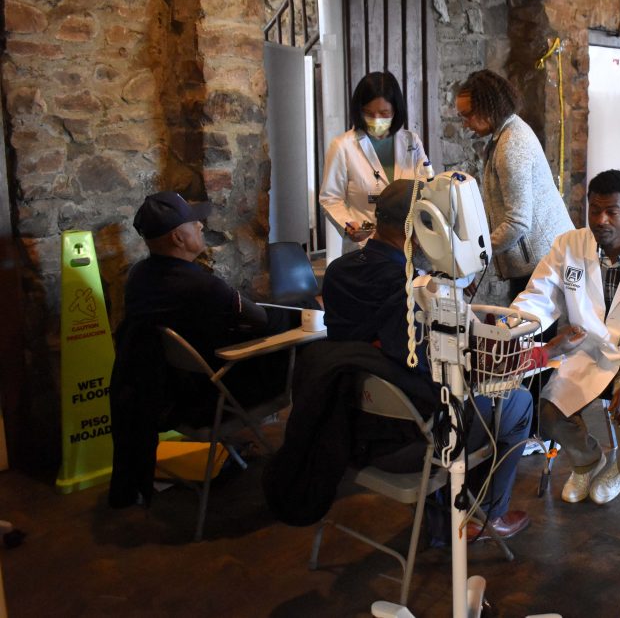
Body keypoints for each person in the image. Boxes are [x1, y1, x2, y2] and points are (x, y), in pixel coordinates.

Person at [321, 179, 584, 540]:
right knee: (519, 402)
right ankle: (487, 515)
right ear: (419, 228)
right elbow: (475, 366)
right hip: (414, 441)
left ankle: (445, 516)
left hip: (354, 424)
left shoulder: (338, 271)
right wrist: (547, 351)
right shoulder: (410, 291)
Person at [513, 170, 620, 505]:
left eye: (612, 212)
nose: (601, 220)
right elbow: (539, 295)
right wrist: (511, 325)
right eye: (594, 210)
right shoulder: (569, 246)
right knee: (548, 413)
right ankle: (588, 460)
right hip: (588, 351)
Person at [109, 191, 296, 507]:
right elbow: (263, 321)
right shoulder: (202, 286)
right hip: (210, 399)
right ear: (178, 237)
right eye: (194, 222)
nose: (200, 226)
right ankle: (306, 462)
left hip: (166, 396)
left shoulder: (139, 277)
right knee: (302, 343)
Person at [456, 69, 574, 298]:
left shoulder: (511, 144)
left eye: (467, 115)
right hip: (540, 260)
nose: (465, 124)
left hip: (543, 264)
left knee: (527, 323)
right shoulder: (507, 133)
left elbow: (518, 222)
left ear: (488, 107)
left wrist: (475, 255)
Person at [320, 71, 430, 263]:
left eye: (384, 113)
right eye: (369, 113)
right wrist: (349, 225)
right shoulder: (343, 146)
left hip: (408, 248)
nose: (377, 119)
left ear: (395, 111)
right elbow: (330, 198)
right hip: (365, 247)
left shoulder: (411, 142)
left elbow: (425, 187)